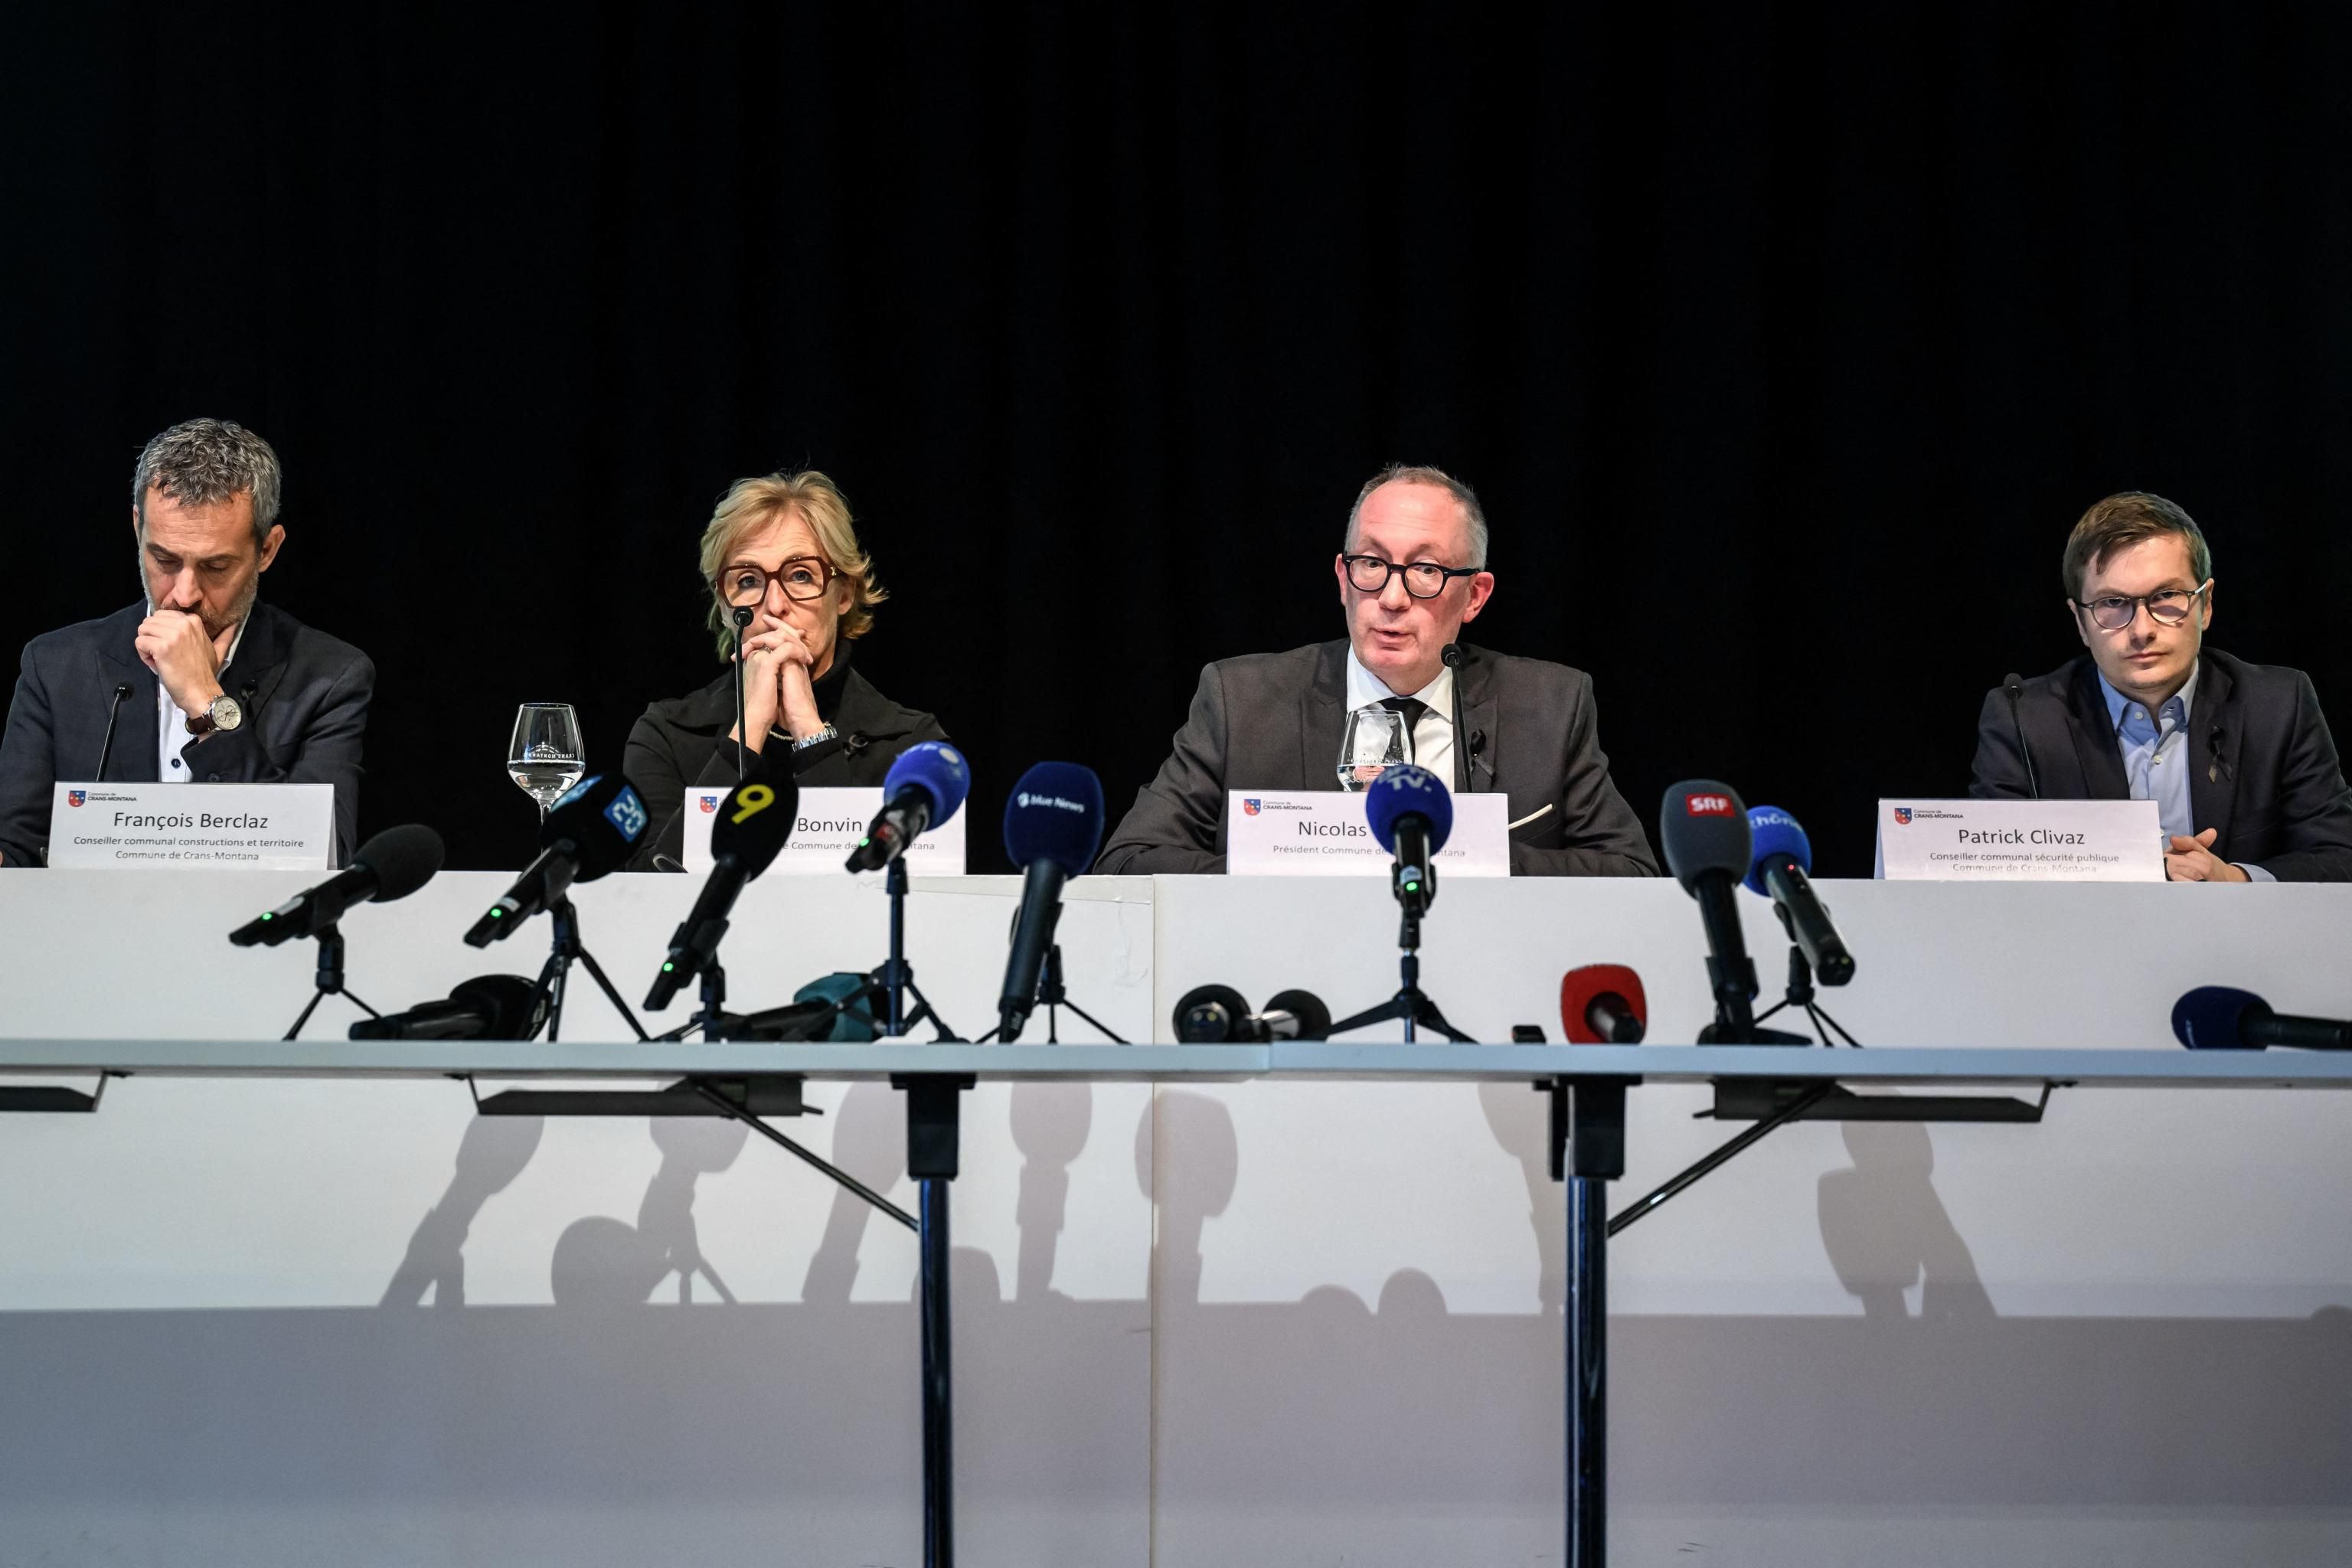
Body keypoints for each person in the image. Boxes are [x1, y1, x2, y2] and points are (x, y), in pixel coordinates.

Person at [1096, 463, 1657, 876]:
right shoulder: (1240, 701)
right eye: (1372, 564)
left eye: (1426, 569)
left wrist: (1472, 856)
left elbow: (1633, 872)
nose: (1391, 597)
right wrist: (1295, 863)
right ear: (1343, 578)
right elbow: (1126, 862)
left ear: (1475, 595)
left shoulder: (1550, 706)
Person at [0, 418, 374, 867]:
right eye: (164, 559)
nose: (184, 594)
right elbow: (17, 848)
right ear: (138, 526)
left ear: (268, 550)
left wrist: (208, 703)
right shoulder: (58, 665)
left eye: (216, 566)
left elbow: (324, 861)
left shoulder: (329, 676)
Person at [1969, 491, 2352, 881]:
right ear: (2080, 622)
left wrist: (2236, 880)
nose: (2142, 630)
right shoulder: (2023, 720)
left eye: (2167, 596)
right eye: (2113, 602)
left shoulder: (2277, 705)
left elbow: (2340, 857)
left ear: (2207, 604)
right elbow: (1995, 876)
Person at [624, 469, 949, 870]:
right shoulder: (666, 734)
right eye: (747, 580)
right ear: (725, 606)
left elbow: (876, 896)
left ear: (845, 592)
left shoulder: (911, 745)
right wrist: (750, 728)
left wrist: (809, 730)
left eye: (800, 575)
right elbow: (648, 890)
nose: (774, 604)